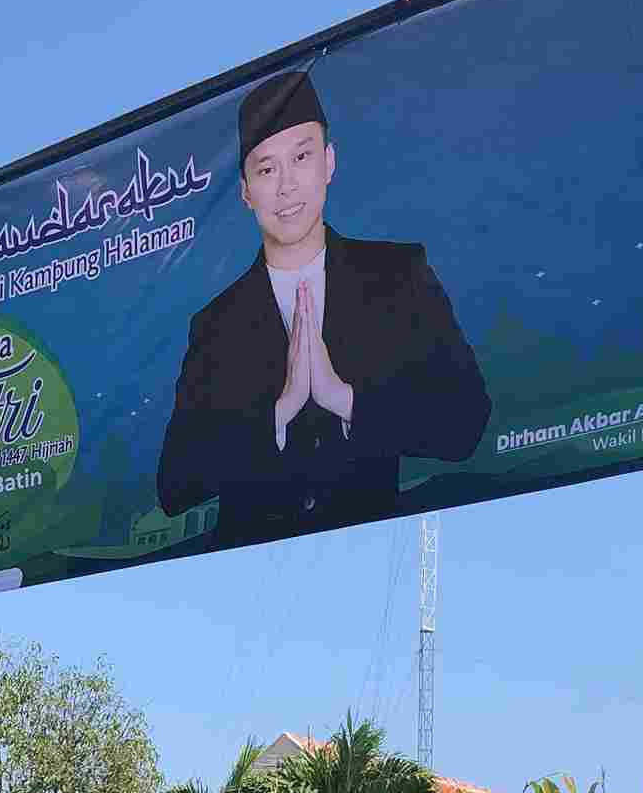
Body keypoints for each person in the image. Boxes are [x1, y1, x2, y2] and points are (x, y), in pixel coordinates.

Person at [156, 68, 490, 545]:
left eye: (302, 156)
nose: (286, 186)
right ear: (246, 191)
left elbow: (467, 420)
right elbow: (175, 483)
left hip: (366, 557)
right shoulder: (215, 324)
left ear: (329, 162)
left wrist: (346, 399)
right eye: (267, 170)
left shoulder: (398, 274)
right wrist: (279, 411)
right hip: (246, 579)